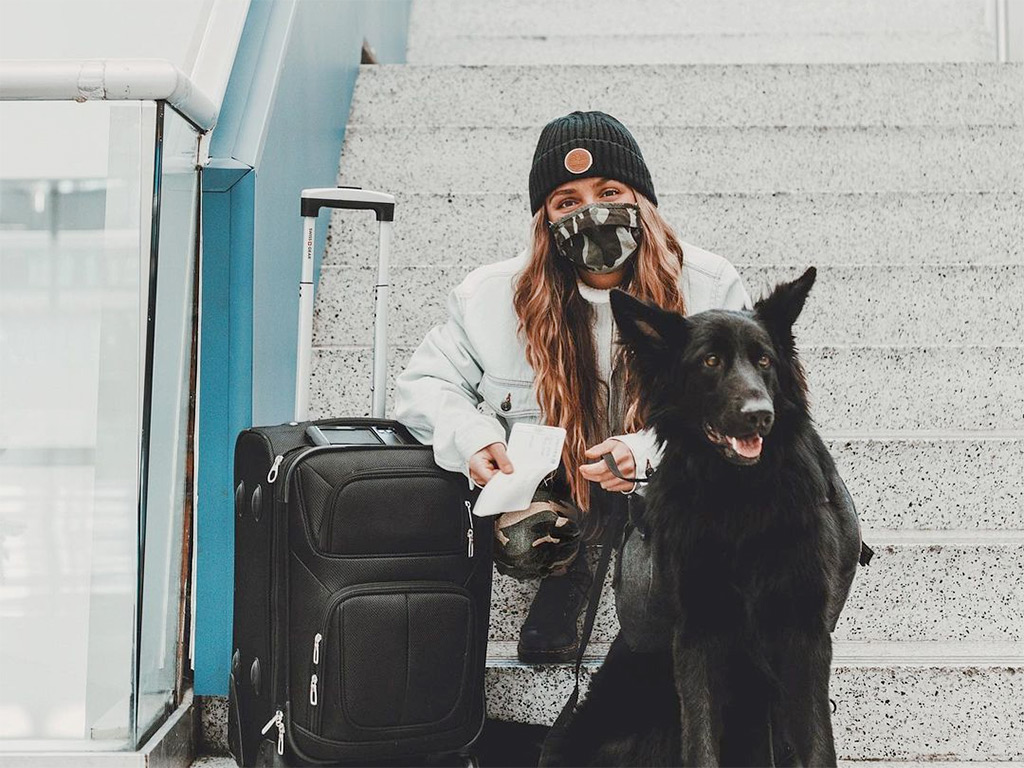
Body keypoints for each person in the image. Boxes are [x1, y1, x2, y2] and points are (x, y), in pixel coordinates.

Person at [393, 111, 751, 663]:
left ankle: (662, 588)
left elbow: (738, 406)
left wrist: (642, 452)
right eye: (567, 201)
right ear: (544, 219)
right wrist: (471, 437)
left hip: (668, 479)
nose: (592, 212)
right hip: (563, 481)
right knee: (519, 536)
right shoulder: (491, 296)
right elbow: (426, 384)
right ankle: (568, 570)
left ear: (643, 202)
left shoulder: (709, 284)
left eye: (609, 191)